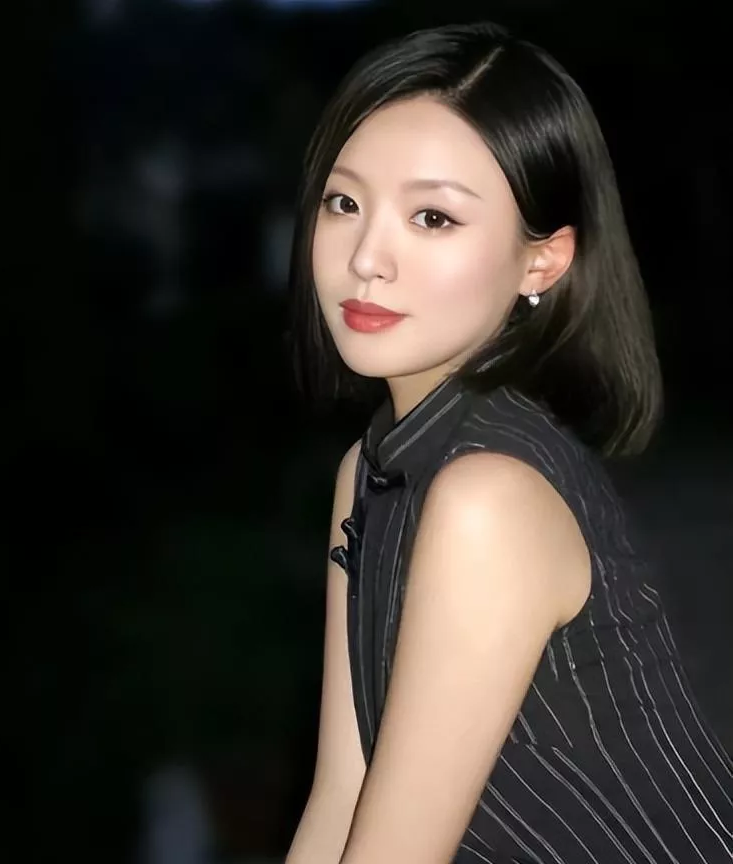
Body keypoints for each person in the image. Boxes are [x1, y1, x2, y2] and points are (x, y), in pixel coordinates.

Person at [284, 21, 733, 864]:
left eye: (431, 217)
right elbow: (341, 798)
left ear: (544, 262)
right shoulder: (372, 469)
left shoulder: (489, 496)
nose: (367, 258)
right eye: (345, 203)